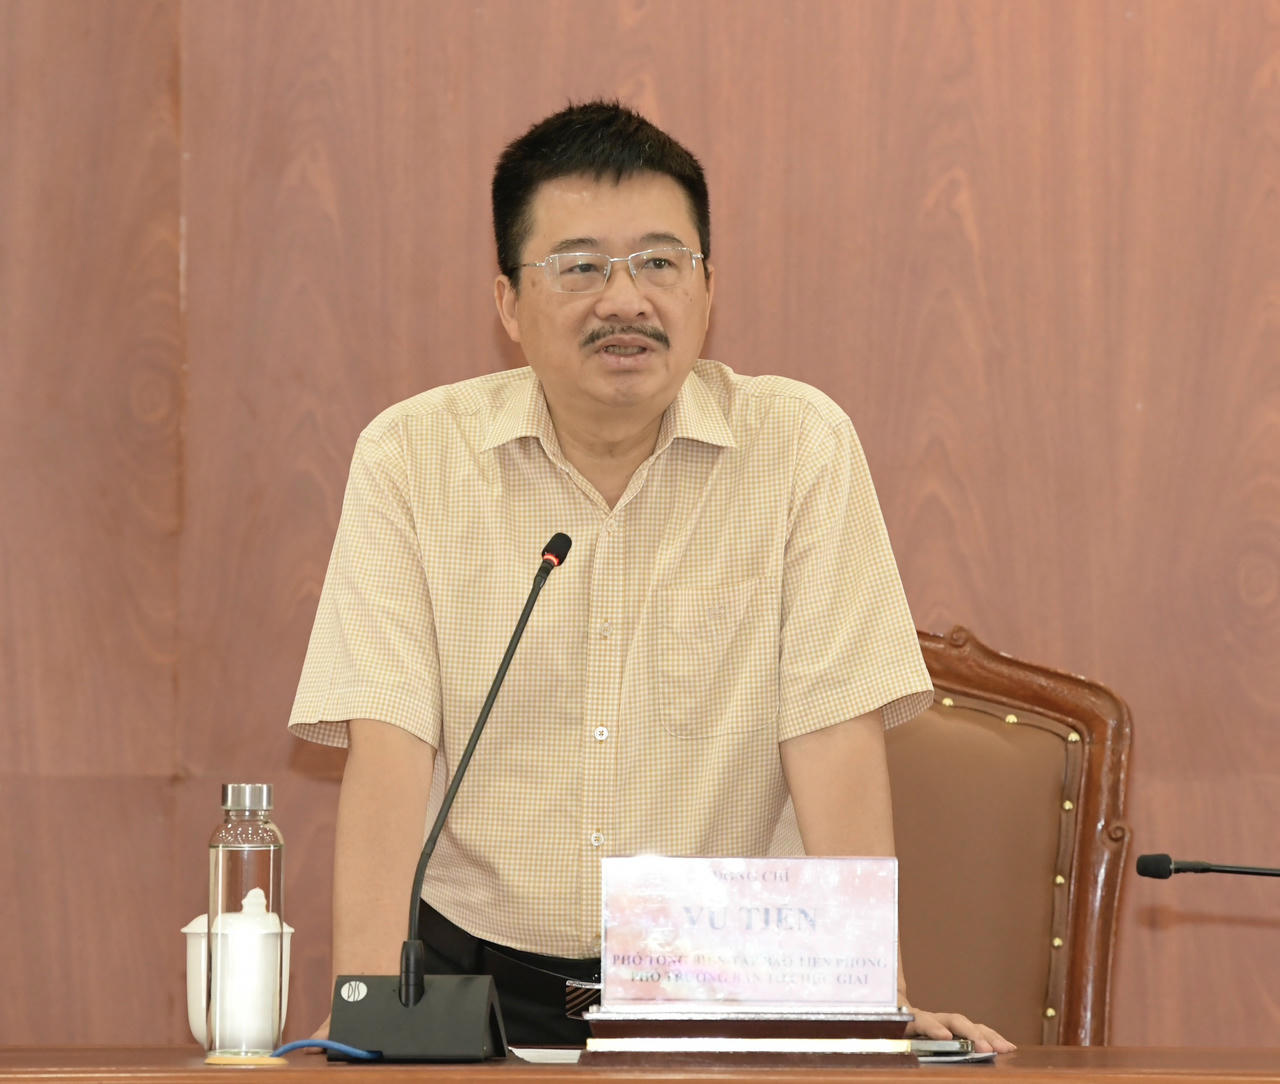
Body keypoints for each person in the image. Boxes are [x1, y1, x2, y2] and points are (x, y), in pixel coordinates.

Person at [289, 100, 1013, 1053]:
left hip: (726, 982)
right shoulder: (413, 457)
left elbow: (833, 737)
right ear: (507, 303)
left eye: (660, 263)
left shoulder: (798, 448)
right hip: (472, 980)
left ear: (708, 290)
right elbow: (391, 747)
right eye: (580, 267)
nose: (624, 300)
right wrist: (369, 1014)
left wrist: (873, 1003)